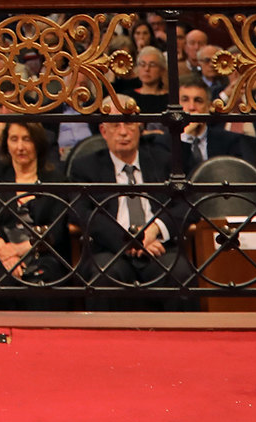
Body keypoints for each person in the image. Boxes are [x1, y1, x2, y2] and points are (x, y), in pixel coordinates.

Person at [69, 101, 192, 289]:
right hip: (111, 249)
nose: (123, 132)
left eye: (129, 124)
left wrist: (154, 229)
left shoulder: (163, 161)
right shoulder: (86, 167)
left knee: (179, 273)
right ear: (103, 131)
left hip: (159, 246)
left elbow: (187, 205)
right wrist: (129, 242)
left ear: (139, 128)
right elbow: (79, 213)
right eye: (115, 125)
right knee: (104, 275)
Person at [0, 120, 66, 288]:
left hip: (43, 254)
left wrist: (20, 249)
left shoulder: (56, 180)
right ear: (6, 143)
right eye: (14, 139)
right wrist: (4, 251)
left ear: (38, 143)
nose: (20, 147)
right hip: (0, 255)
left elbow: (57, 228)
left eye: (27, 139)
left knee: (44, 283)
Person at [175, 71, 254, 167]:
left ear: (209, 106)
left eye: (198, 101)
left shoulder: (229, 141)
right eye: (185, 100)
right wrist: (184, 137)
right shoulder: (162, 142)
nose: (192, 107)